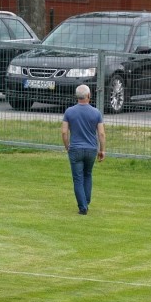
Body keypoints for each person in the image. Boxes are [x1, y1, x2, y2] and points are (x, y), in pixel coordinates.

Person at [61, 84, 106, 215]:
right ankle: (86, 200)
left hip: (75, 149)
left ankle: (83, 206)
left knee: (78, 178)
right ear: (88, 96)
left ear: (77, 96)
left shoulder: (69, 112)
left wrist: (67, 146)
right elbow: (101, 134)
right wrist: (102, 150)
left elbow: (64, 132)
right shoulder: (96, 113)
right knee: (88, 174)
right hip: (91, 149)